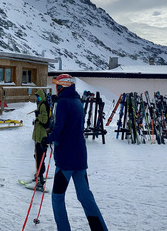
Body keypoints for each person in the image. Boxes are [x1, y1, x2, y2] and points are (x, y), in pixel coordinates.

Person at [48, 74, 108, 230]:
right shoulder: (77, 102)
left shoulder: (62, 103)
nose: (56, 88)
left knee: (57, 198)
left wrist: (47, 138)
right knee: (85, 196)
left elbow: (59, 130)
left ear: (62, 86)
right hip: (80, 158)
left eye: (57, 85)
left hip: (65, 161)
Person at [32, 89, 50, 190]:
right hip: (39, 135)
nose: (37, 99)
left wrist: (38, 115)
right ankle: (39, 174)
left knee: (40, 156)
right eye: (36, 97)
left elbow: (44, 119)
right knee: (37, 155)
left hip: (42, 135)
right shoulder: (41, 105)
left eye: (38, 97)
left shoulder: (43, 105)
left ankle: (41, 178)